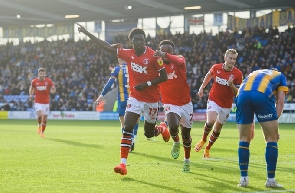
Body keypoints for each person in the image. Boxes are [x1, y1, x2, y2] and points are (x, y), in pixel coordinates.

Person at [77, 24, 169, 175]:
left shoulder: (154, 56)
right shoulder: (128, 54)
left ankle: (161, 128)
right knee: (127, 128)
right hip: (135, 97)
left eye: (142, 39)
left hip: (151, 99)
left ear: (144, 40)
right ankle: (123, 164)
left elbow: (163, 77)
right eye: (136, 40)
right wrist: (87, 32)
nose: (139, 42)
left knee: (148, 133)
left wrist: (146, 84)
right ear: (131, 41)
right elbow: (105, 46)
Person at [236, 69, 288, 188]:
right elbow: (280, 101)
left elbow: (249, 92)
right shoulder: (280, 76)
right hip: (261, 94)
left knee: (244, 138)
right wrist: (274, 128)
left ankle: (243, 179)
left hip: (242, 94)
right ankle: (271, 180)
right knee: (271, 138)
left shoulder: (254, 73)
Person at [194, 49, 243, 158]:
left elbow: (238, 93)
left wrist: (231, 84)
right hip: (214, 99)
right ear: (225, 58)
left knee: (217, 129)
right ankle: (203, 140)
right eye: (230, 58)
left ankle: (207, 148)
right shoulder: (216, 67)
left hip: (226, 104)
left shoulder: (238, 74)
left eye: (234, 59)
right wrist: (202, 87)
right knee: (211, 120)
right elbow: (209, 75)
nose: (232, 61)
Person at [153, 40, 193, 172]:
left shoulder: (180, 60)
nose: (165, 53)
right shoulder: (158, 66)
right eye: (162, 51)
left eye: (168, 51)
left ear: (172, 52)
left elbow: (180, 62)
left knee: (186, 136)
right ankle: (176, 141)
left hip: (186, 104)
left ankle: (186, 161)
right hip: (170, 103)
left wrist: (165, 55)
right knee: (173, 125)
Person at [96, 58, 139, 152]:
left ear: (119, 60)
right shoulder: (135, 68)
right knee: (135, 120)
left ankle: (127, 143)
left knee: (123, 123)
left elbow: (109, 84)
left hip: (123, 99)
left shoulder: (117, 69)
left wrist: (101, 96)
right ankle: (134, 137)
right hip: (134, 99)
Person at [29, 68, 56, 138]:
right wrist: (31, 95)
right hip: (38, 102)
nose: (42, 75)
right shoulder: (34, 81)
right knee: (40, 115)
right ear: (38, 74)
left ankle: (42, 132)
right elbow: (31, 88)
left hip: (46, 102)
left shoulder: (48, 81)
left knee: (44, 119)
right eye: (40, 73)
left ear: (45, 74)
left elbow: (53, 88)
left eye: (43, 73)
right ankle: (39, 125)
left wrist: (53, 91)